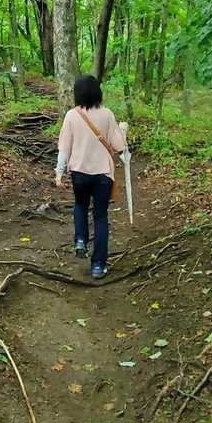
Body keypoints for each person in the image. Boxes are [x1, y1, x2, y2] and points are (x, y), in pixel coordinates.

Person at [54, 74, 128, 279]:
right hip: (103, 174)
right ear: (97, 92)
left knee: (80, 205)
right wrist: (123, 130)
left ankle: (80, 240)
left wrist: (59, 173)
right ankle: (98, 265)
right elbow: (119, 146)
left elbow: (64, 148)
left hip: (79, 172)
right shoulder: (107, 115)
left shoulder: (71, 116)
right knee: (100, 216)